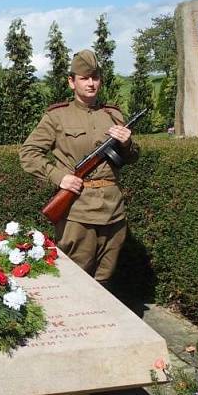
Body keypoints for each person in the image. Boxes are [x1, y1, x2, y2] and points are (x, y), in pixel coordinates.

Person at [19, 50, 139, 287]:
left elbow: (131, 157)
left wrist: (127, 144)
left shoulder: (113, 115)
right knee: (76, 279)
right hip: (77, 211)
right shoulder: (57, 117)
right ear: (71, 82)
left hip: (113, 210)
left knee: (106, 279)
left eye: (95, 77)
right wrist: (59, 177)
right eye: (84, 78)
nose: (91, 83)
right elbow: (28, 154)